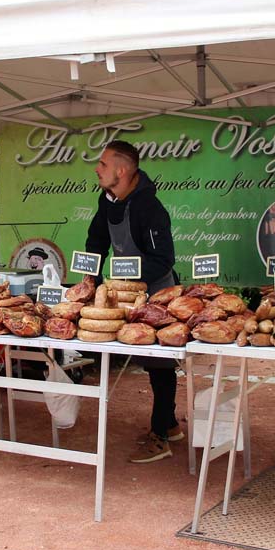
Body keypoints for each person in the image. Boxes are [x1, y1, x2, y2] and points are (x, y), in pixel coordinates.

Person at [85, 140, 180, 464]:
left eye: (103, 164)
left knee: (159, 363)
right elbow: (96, 241)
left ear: (122, 171)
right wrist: (91, 280)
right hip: (127, 291)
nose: (97, 169)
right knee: (148, 361)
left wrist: (129, 281)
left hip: (157, 290)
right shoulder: (107, 199)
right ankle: (170, 423)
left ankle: (161, 436)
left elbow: (164, 259)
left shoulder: (150, 208)